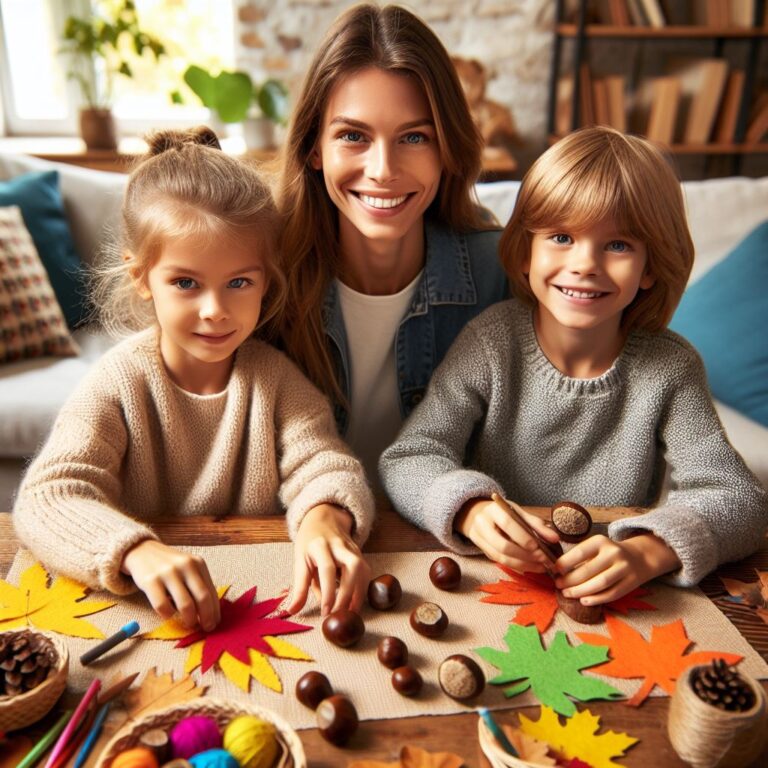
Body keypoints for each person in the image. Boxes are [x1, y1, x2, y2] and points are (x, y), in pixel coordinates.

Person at [380, 126, 768, 605]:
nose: (585, 264)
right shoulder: (491, 342)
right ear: (526, 253)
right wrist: (470, 510)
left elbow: (739, 498)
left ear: (651, 267)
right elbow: (410, 457)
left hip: (613, 600)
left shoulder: (670, 367)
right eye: (562, 237)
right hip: (491, 586)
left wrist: (649, 552)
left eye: (618, 244)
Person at [13, 128, 375, 629]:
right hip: (143, 614)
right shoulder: (117, 383)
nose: (214, 310)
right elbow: (46, 497)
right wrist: (135, 551)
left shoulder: (275, 381)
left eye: (238, 282)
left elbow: (325, 466)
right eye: (186, 282)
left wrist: (323, 519)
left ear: (265, 281)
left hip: (256, 600)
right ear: (141, 277)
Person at [275, 3, 508, 480]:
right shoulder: (261, 274)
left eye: (414, 138)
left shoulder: (500, 274)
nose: (383, 170)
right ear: (314, 148)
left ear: (447, 148)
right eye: (353, 136)